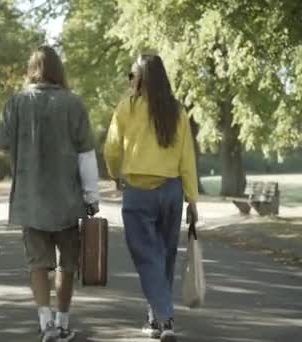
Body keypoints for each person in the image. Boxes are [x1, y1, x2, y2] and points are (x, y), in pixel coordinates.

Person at [0, 46, 100, 342]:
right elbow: (86, 154)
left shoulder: (15, 103)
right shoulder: (73, 103)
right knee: (68, 264)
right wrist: (91, 197)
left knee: (37, 264)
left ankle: (45, 324)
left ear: (32, 69)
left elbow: (1, 142)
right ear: (58, 70)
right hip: (68, 199)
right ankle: (63, 321)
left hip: (31, 199)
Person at [104, 54, 199, 342]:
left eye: (132, 75)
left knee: (147, 259)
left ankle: (164, 317)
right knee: (164, 257)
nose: (130, 81)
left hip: (137, 193)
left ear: (141, 79)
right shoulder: (177, 111)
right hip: (171, 191)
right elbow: (187, 159)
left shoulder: (127, 109)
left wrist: (115, 175)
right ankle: (157, 316)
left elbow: (111, 149)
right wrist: (192, 198)